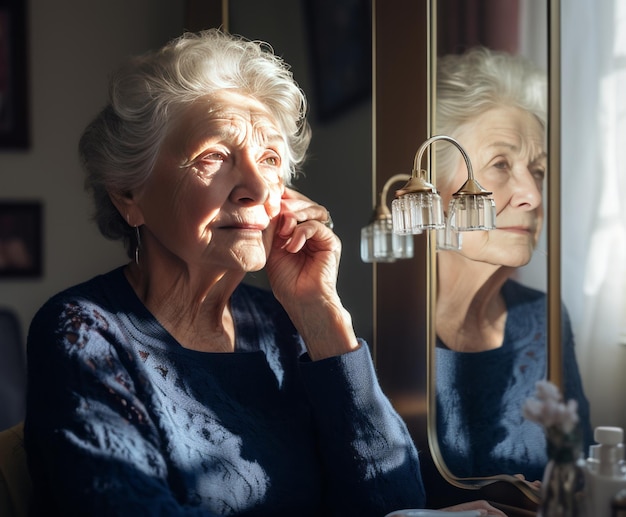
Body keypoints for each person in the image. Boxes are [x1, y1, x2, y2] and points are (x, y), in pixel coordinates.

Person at [24, 30, 505, 516]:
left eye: (271, 160)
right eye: (214, 156)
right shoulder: (83, 333)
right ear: (128, 194)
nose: (255, 186)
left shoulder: (279, 325)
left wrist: (320, 316)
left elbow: (395, 501)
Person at [432, 47, 593, 482]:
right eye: (500, 164)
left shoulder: (543, 318)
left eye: (537, 171)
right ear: (429, 192)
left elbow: (580, 473)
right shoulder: (376, 340)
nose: (533, 196)